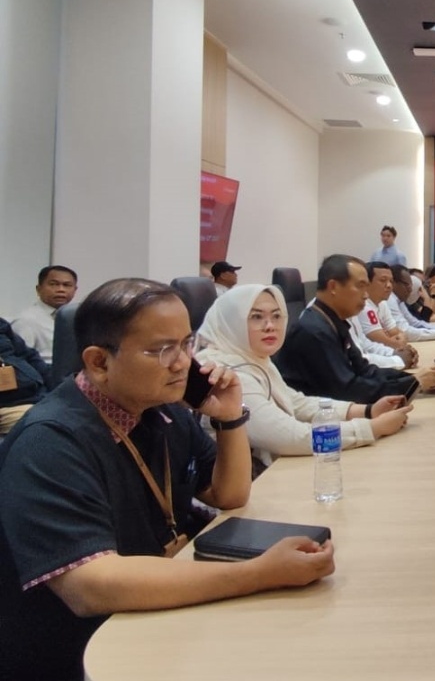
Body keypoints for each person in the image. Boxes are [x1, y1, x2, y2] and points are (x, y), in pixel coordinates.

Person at [0, 278, 334, 681]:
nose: (183, 363)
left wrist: (229, 418)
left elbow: (228, 493)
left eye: (186, 344)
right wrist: (260, 574)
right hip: (79, 652)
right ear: (99, 362)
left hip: (153, 613)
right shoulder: (49, 442)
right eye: (161, 350)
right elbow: (91, 586)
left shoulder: (163, 409)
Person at [196, 284, 412, 472]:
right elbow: (289, 437)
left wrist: (366, 411)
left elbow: (296, 402)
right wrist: (372, 428)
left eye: (276, 316)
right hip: (250, 489)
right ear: (231, 322)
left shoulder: (253, 358)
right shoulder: (228, 373)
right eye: (256, 317)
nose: (270, 325)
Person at [274, 254, 435, 403]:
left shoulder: (334, 320)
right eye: (360, 286)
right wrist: (412, 384)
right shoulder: (314, 330)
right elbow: (347, 390)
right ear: (333, 287)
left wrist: (412, 379)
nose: (366, 295)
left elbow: (364, 370)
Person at [12, 264, 78, 364]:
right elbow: (20, 361)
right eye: (53, 284)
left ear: (75, 290)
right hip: (42, 371)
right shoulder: (26, 320)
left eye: (67, 285)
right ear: (39, 289)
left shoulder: (78, 318)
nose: (61, 289)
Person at [387, 264, 435, 341]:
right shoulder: (390, 300)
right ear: (393, 283)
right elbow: (405, 331)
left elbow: (414, 323)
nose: (410, 289)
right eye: (407, 284)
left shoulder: (399, 300)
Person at [0, 319, 50, 434]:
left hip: (41, 393)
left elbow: (29, 355)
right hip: (12, 407)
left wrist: (57, 386)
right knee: (53, 419)